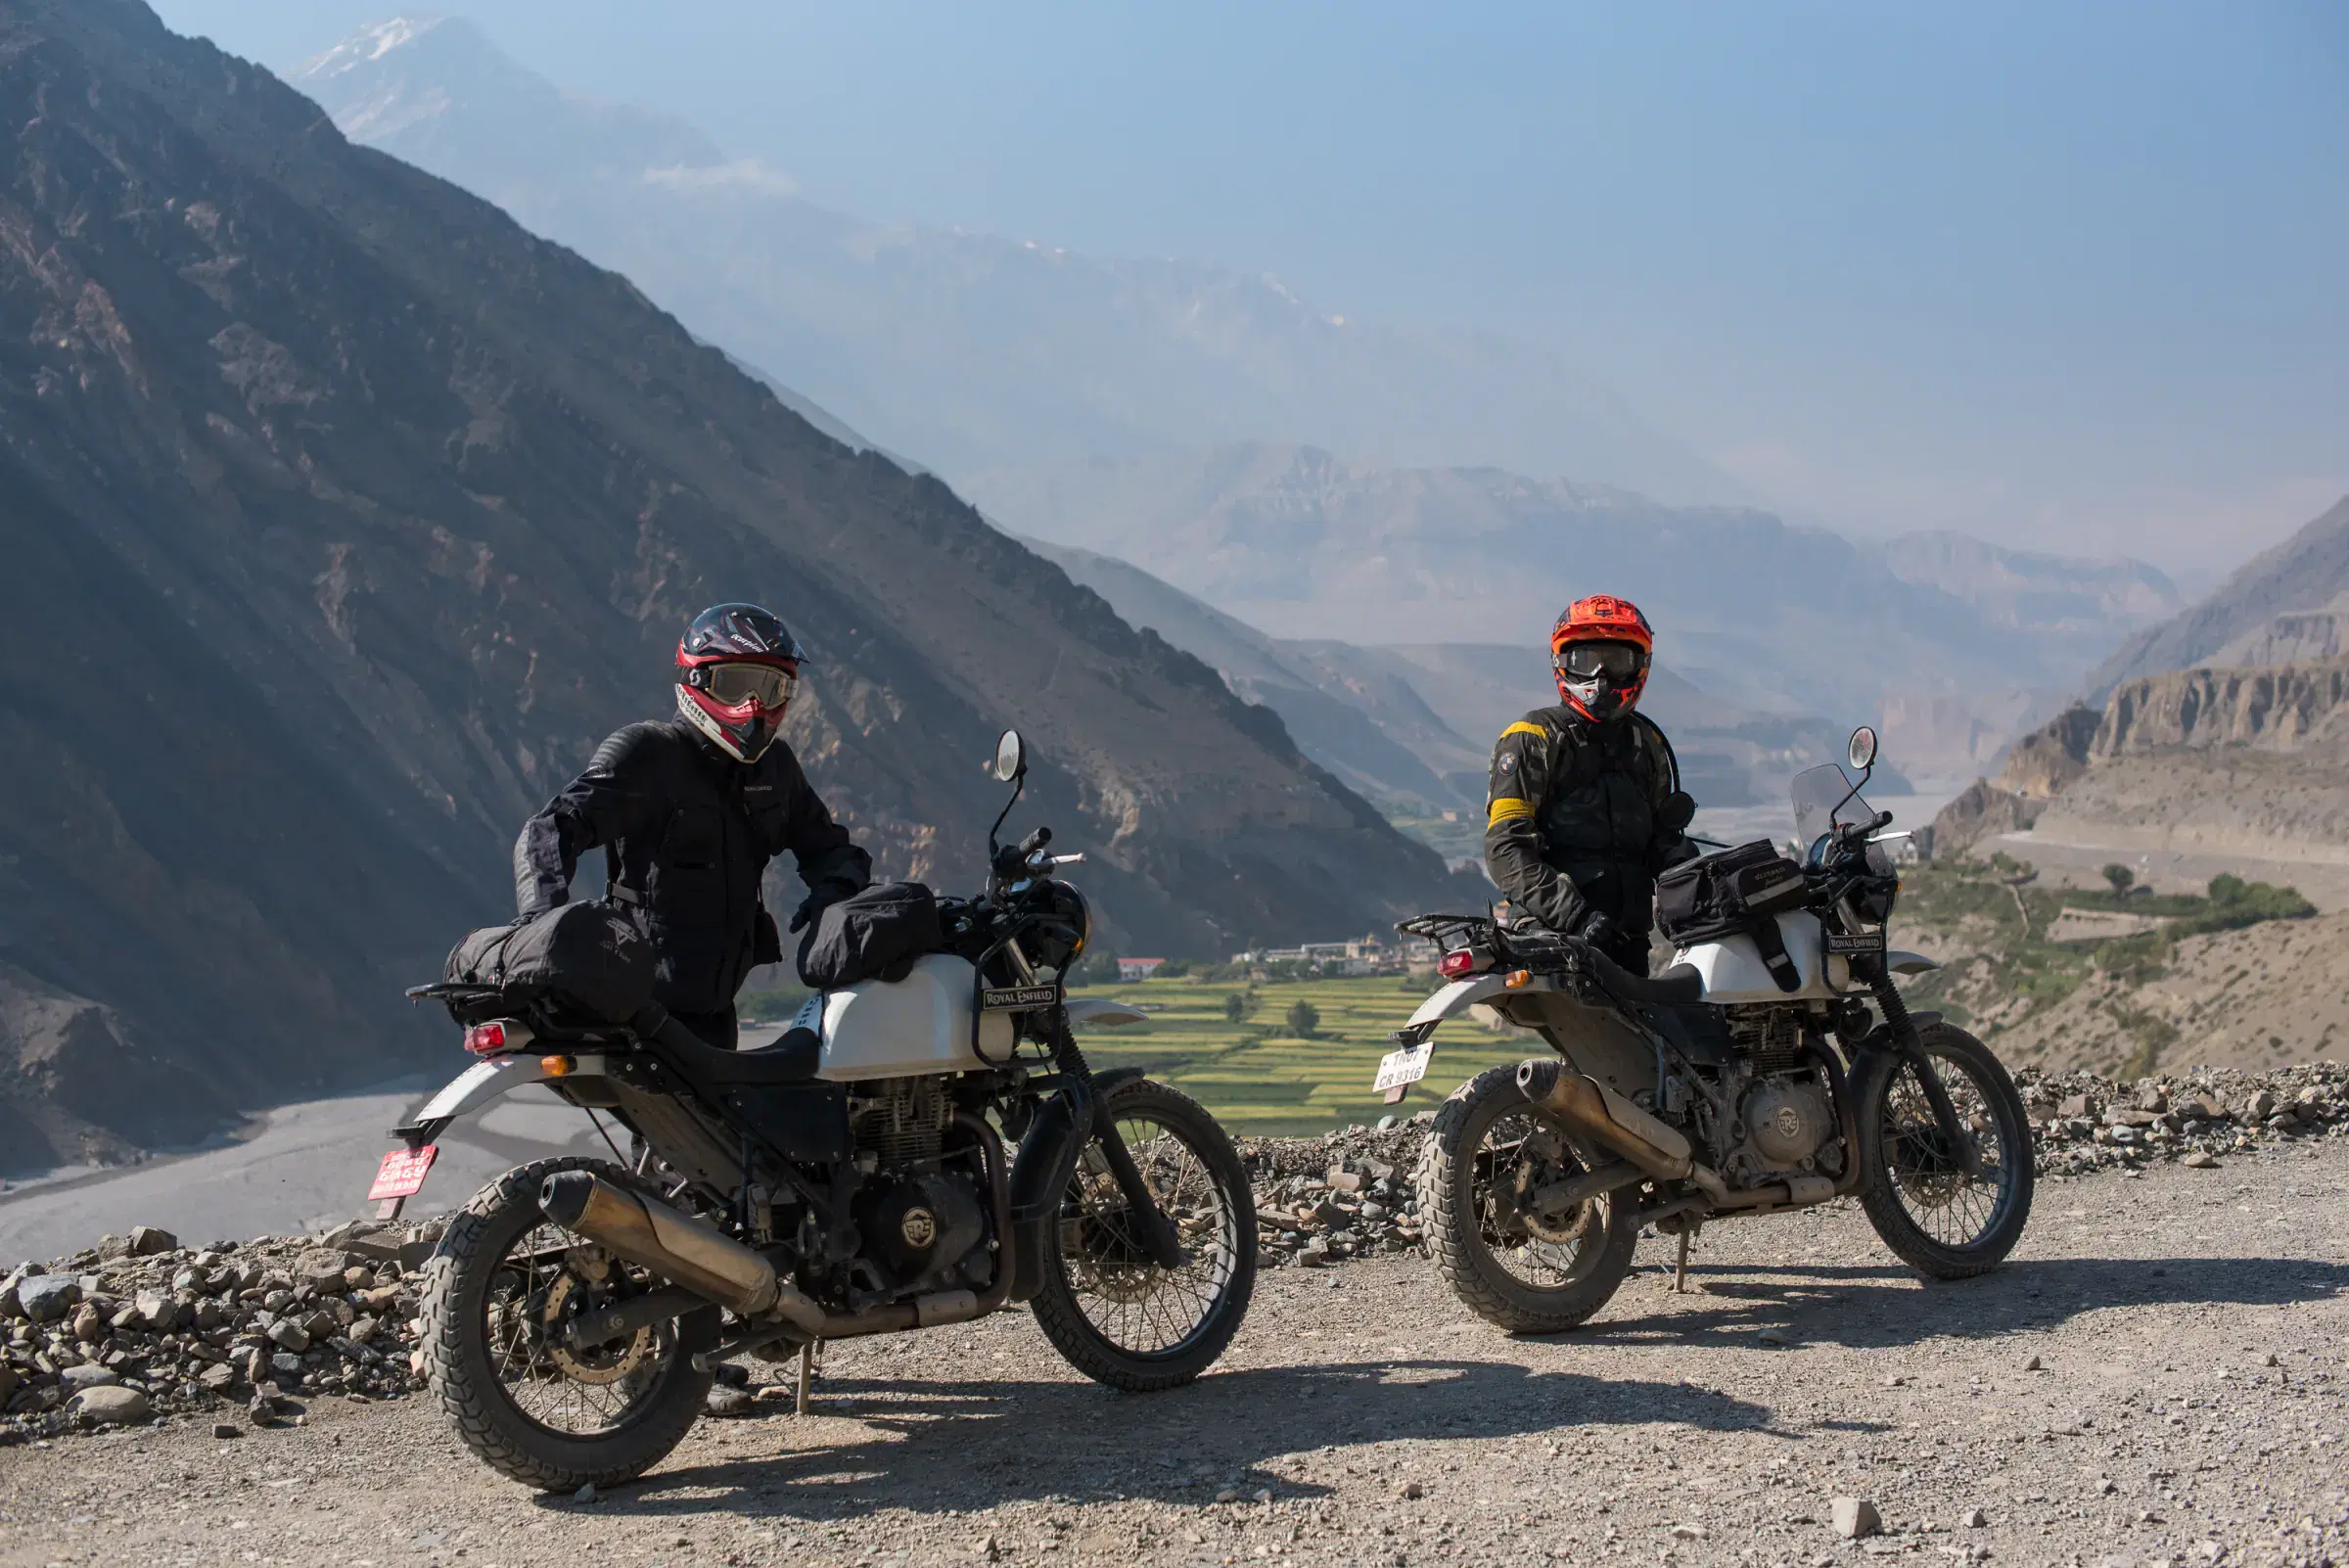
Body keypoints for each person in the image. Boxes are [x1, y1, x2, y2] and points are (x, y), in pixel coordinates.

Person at [514, 604, 871, 1047]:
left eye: (770, 688)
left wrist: (832, 896)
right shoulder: (648, 755)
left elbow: (831, 848)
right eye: (736, 685)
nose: (753, 705)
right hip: (633, 1012)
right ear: (697, 680)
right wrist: (543, 927)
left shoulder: (774, 769)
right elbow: (550, 831)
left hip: (718, 1009)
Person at [1483, 594, 1695, 976]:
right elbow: (1505, 847)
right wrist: (1575, 916)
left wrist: (1694, 875)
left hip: (1627, 941)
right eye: (1585, 661)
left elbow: (1661, 841)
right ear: (1561, 663)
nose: (1601, 676)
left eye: (1617, 661)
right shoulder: (1533, 737)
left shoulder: (1647, 743)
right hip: (1550, 940)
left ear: (1640, 665)